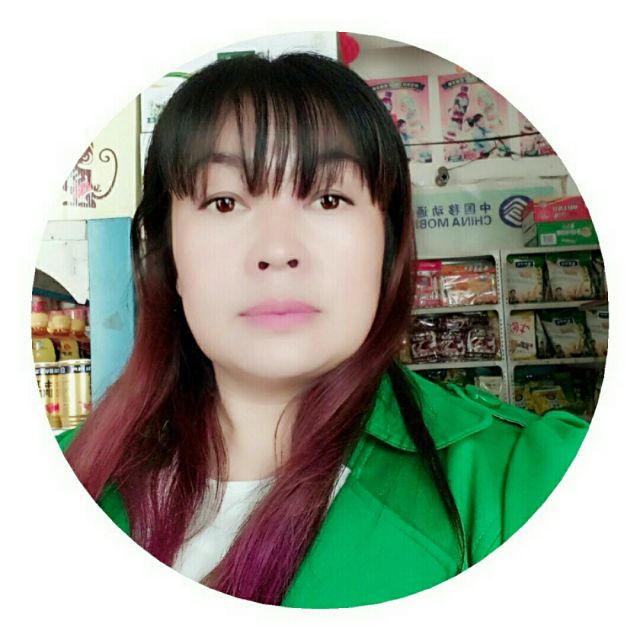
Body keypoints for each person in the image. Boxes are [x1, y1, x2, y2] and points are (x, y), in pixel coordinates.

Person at [56, 51, 589, 609]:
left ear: (387, 244)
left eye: (329, 199)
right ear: (168, 255)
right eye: (224, 201)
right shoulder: (70, 475)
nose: (277, 250)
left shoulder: (524, 482)